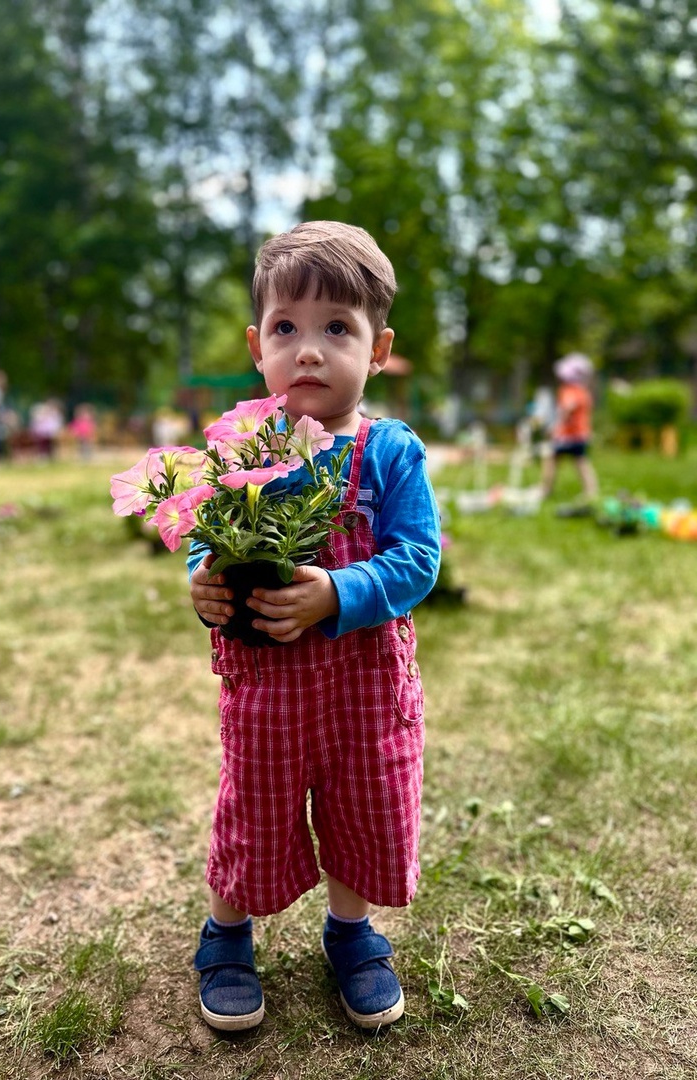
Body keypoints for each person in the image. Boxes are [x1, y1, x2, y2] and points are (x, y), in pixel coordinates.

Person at [187, 221, 442, 1032]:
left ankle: (351, 932)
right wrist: (204, 582)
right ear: (256, 342)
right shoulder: (243, 448)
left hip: (366, 684)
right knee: (254, 807)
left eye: (338, 328)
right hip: (267, 687)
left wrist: (336, 591)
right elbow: (208, 534)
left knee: (364, 805)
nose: (308, 350)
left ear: (378, 348)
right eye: (286, 328)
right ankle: (226, 938)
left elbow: (417, 561)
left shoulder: (390, 453)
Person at [541, 352, 599, 501]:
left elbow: (567, 408)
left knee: (552, 459)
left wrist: (555, 427)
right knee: (581, 461)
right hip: (580, 434)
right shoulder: (583, 392)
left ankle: (545, 489)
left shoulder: (569, 391)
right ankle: (592, 491)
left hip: (567, 435)